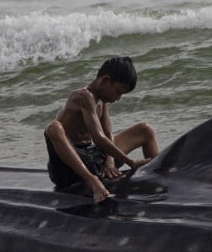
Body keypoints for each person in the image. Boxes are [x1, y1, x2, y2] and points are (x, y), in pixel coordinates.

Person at [44, 56, 159, 202]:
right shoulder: (83, 96)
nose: (118, 98)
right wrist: (130, 162)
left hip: (92, 158)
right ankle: (92, 181)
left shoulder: (102, 102)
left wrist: (110, 162)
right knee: (53, 127)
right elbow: (98, 137)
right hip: (69, 168)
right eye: (118, 92)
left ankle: (159, 176)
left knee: (145, 130)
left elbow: (108, 134)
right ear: (105, 80)